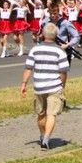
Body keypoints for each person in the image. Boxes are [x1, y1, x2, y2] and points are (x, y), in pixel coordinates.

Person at [20, 22, 70, 151]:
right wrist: (62, 85)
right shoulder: (60, 51)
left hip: (39, 86)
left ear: (43, 34)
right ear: (56, 35)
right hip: (54, 86)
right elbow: (63, 72)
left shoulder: (35, 49)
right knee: (51, 114)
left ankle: (43, 136)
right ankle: (46, 139)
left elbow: (28, 68)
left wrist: (24, 83)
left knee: (41, 114)